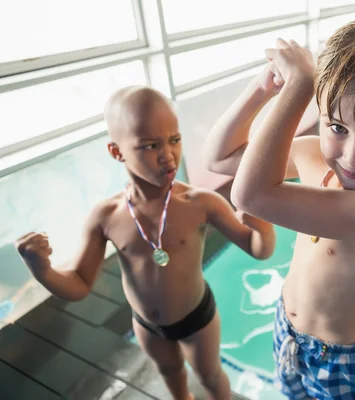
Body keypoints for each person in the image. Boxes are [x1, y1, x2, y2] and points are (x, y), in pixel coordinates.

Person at [202, 17, 355, 399]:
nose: (354, 156)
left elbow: (249, 196)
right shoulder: (312, 155)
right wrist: (263, 87)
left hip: (343, 361)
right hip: (286, 329)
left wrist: (300, 86)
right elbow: (219, 158)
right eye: (337, 127)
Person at [15, 86, 276, 400]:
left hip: (197, 321)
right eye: (150, 145)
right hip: (147, 325)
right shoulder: (106, 216)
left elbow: (259, 250)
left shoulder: (201, 202)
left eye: (174, 140)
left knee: (210, 376)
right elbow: (79, 284)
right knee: (171, 375)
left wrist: (261, 221)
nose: (167, 155)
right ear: (117, 151)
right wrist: (42, 270)